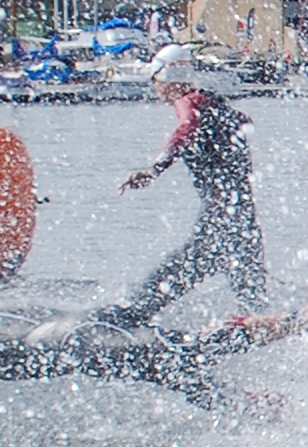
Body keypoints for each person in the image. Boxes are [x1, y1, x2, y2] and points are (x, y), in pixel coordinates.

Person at [0, 303, 308, 416]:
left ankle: (299, 323)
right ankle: (275, 396)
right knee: (180, 362)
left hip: (79, 348)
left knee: (182, 360)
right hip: (83, 330)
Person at [99, 51, 267, 327]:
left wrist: (154, 169)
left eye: (155, 80)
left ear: (166, 77)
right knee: (253, 301)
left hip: (219, 223)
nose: (154, 87)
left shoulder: (190, 102)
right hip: (244, 221)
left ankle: (125, 325)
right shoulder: (216, 104)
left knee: (163, 282)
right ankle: (264, 332)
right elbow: (244, 125)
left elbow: (186, 128)